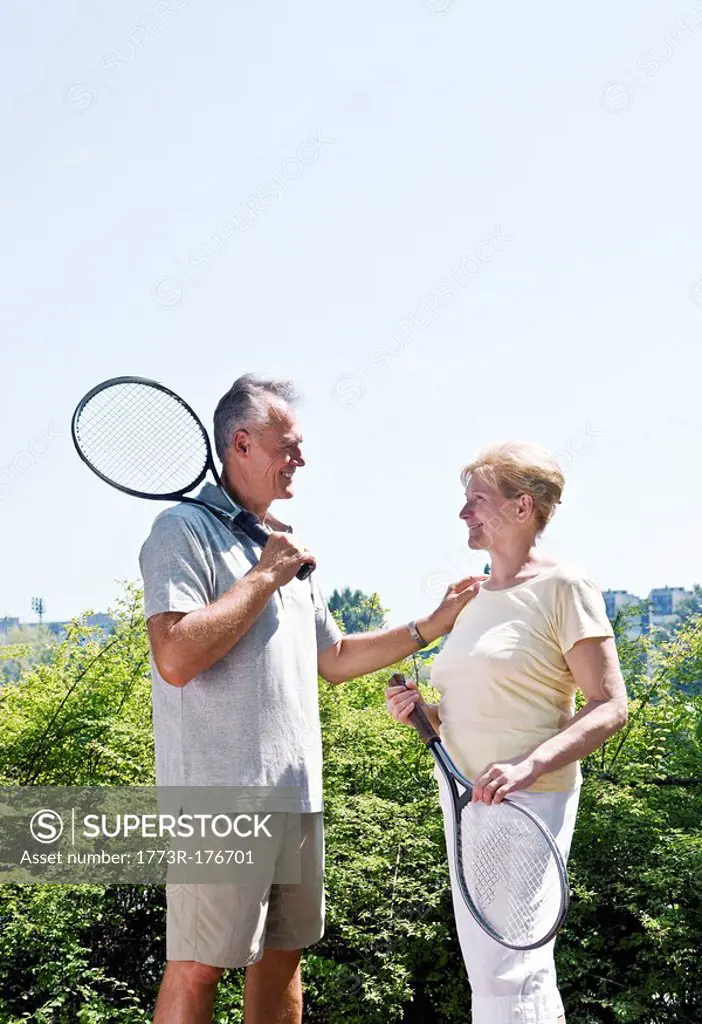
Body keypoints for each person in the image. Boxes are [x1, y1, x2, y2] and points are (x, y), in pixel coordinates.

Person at [140, 373, 485, 1024]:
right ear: (241, 443)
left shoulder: (281, 543)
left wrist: (429, 626)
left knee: (283, 959)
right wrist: (267, 575)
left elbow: (333, 658)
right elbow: (177, 655)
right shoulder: (182, 531)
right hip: (219, 803)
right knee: (198, 968)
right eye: (288, 445)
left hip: (295, 798)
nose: (301, 458)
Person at [385, 441, 628, 1024]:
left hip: (528, 798)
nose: (463, 514)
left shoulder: (564, 587)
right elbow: (475, 707)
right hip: (465, 797)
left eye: (477, 501)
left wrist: (528, 766)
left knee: (514, 971)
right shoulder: (469, 600)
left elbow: (610, 704)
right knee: (488, 970)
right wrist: (425, 712)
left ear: (523, 507)